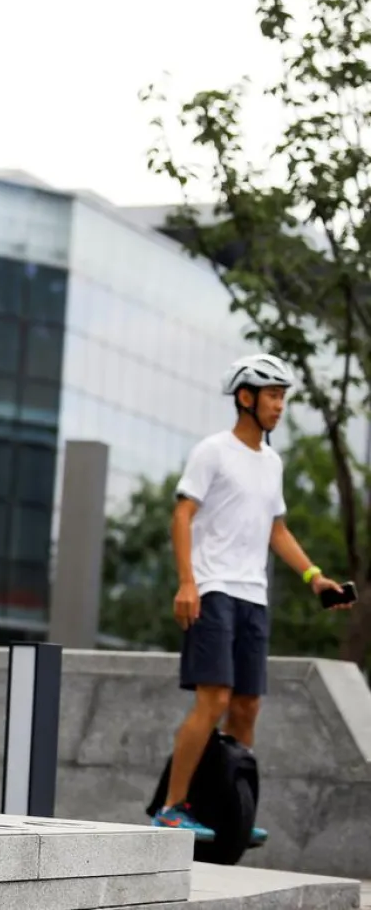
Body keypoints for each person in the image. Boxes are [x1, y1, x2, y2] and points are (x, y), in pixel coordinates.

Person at [150, 353, 356, 843]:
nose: (280, 406)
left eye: (283, 397)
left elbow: (275, 529)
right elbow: (182, 515)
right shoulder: (213, 451)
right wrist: (187, 582)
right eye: (273, 396)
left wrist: (314, 577)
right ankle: (172, 807)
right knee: (214, 699)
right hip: (214, 589)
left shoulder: (272, 462)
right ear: (245, 397)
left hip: (253, 596)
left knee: (246, 707)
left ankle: (230, 810)